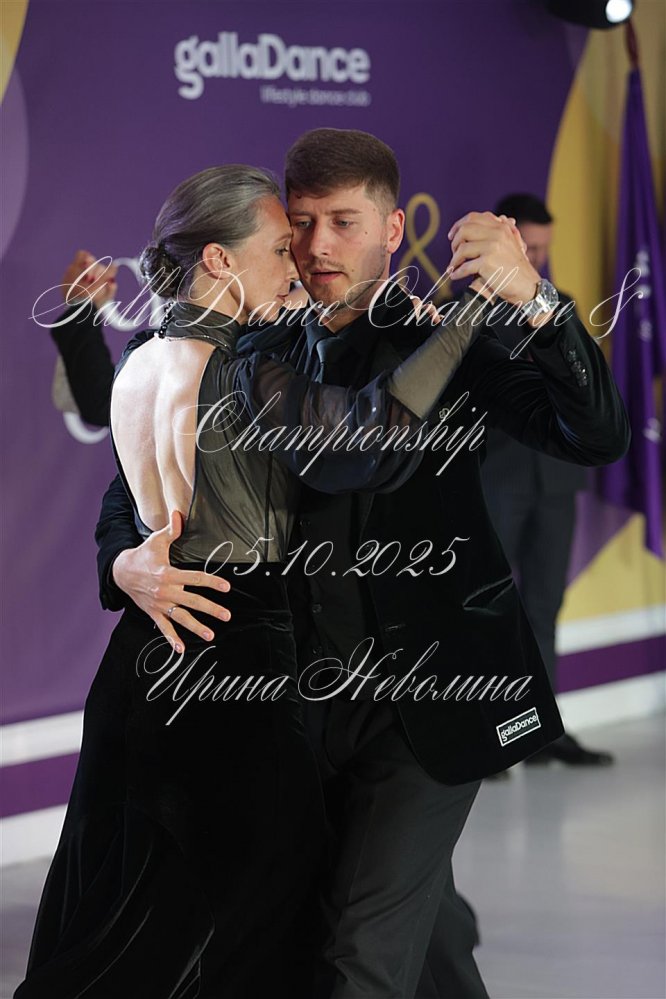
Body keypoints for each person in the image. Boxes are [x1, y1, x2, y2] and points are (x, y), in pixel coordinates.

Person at [79, 131, 628, 999]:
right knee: (417, 942)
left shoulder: (444, 343)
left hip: (426, 702)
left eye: (343, 221)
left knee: (361, 959)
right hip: (292, 709)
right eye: (300, 223)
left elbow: (596, 434)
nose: (319, 244)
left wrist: (538, 301)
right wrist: (125, 567)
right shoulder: (254, 341)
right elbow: (131, 489)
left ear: (392, 228)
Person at [16, 163, 486, 999]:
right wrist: (465, 321)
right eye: (277, 247)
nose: (296, 261)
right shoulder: (244, 373)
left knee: (130, 912)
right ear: (219, 260)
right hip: (233, 657)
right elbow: (372, 432)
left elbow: (129, 486)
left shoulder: (142, 359)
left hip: (144, 661)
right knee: (254, 922)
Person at [482, 193, 615, 768]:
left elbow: (585, 395)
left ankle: (544, 732)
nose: (535, 260)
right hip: (496, 479)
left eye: (542, 250)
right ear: (508, 242)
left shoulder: (560, 309)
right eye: (528, 248)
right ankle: (489, 736)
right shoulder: (465, 312)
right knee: (486, 609)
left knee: (544, 603)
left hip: (556, 484)